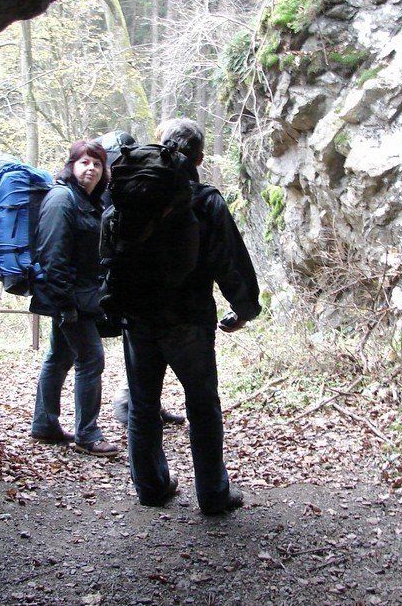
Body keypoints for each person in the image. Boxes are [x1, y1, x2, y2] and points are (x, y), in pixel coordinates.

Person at [117, 118, 261, 514]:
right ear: (199, 157)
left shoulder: (131, 191)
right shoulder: (204, 199)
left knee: (143, 404)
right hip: (188, 319)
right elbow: (230, 260)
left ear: (160, 145)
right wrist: (244, 309)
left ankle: (150, 488)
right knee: (202, 404)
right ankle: (213, 495)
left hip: (138, 318)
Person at [29, 140, 120, 457]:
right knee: (91, 359)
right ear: (71, 166)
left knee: (60, 357)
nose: (92, 168)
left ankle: (44, 424)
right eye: (84, 162)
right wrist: (65, 305)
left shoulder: (88, 201)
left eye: (97, 163)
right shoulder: (61, 200)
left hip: (82, 297)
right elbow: (54, 257)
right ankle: (88, 434)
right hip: (71, 299)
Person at [94, 129, 188, 428]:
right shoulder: (129, 181)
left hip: (128, 277)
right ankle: (129, 402)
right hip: (139, 278)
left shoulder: (118, 183)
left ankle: (142, 403)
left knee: (140, 349)